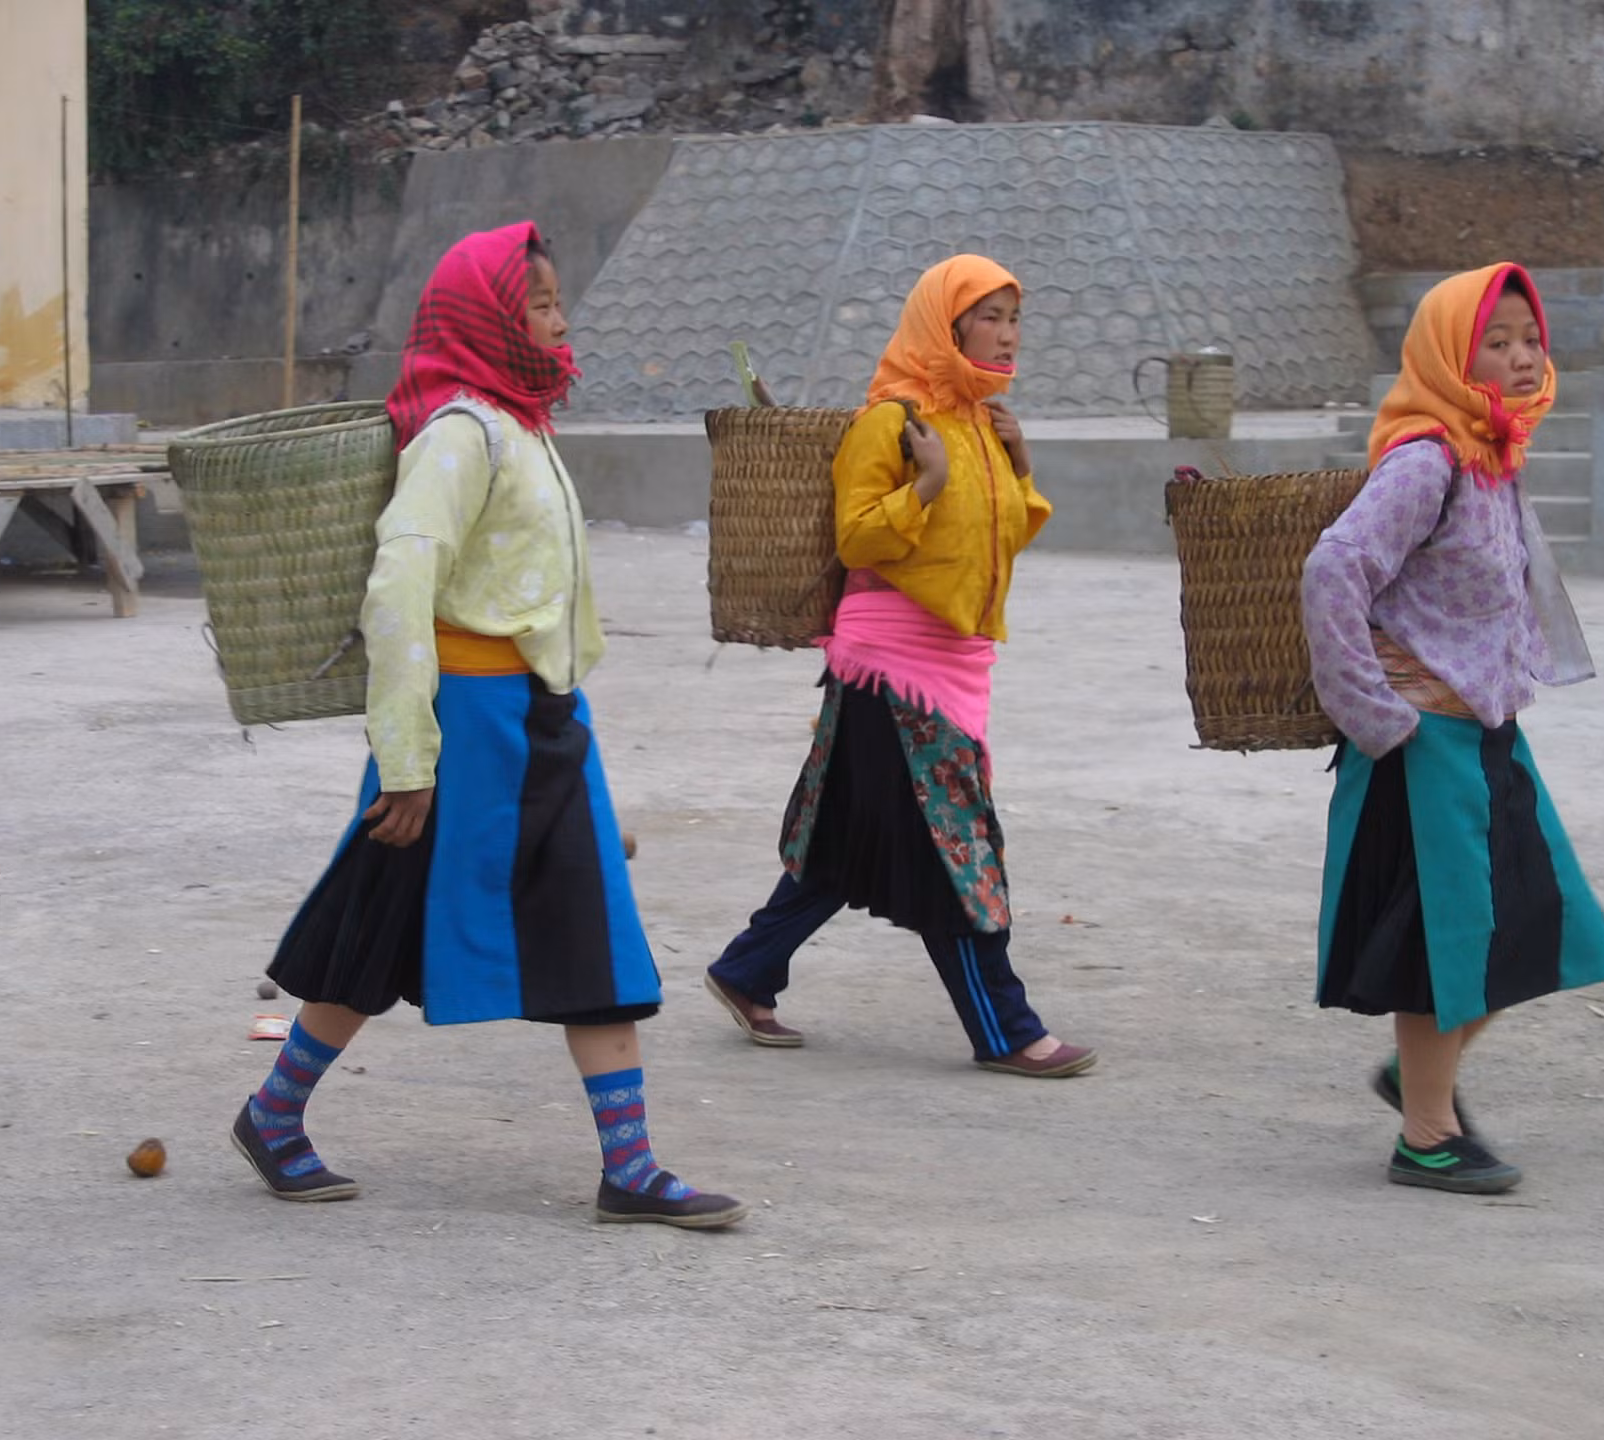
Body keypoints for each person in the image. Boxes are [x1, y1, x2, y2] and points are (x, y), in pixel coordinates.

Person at [230, 221, 746, 1228]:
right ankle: (274, 1113)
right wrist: (408, 758)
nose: (559, 322)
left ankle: (629, 1169)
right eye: (539, 305)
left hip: (542, 724)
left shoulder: (521, 425)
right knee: (375, 925)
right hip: (463, 734)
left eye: (558, 303)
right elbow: (399, 588)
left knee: (595, 935)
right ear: (487, 321)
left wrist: (561, 707)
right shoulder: (461, 435)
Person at [705, 254, 1095, 1078]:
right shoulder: (892, 421)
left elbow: (998, 542)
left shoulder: (985, 423)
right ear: (943, 325)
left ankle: (746, 970)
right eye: (988, 316)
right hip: (891, 668)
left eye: (1013, 317)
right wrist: (927, 484)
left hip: (954, 664)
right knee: (955, 850)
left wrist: (1019, 465)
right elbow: (858, 540)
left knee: (848, 840)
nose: (1007, 333)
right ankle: (1006, 1029)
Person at [1302, 261, 1604, 1195]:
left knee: (1546, 926)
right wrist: (1376, 713)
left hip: (1487, 731)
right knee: (1449, 943)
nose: (1524, 357)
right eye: (1498, 340)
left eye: (1531, 338)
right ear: (1453, 351)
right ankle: (1427, 1135)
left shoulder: (1490, 453)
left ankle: (1416, 1081)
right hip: (1423, 748)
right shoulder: (1428, 459)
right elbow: (1334, 571)